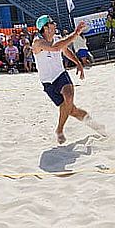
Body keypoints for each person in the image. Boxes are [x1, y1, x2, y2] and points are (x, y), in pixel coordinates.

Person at [32, 15, 106, 144]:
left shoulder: (57, 38)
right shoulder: (37, 43)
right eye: (52, 23)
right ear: (45, 27)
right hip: (47, 81)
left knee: (69, 96)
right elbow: (55, 48)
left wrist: (78, 63)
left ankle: (60, 130)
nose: (55, 24)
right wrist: (76, 33)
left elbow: (65, 51)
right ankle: (96, 126)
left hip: (60, 75)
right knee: (71, 110)